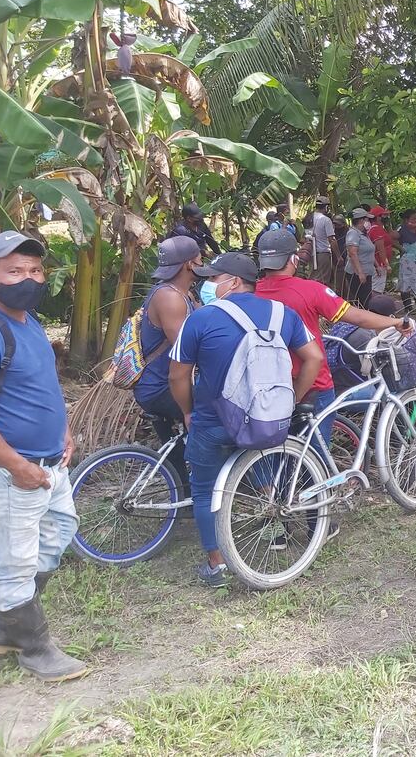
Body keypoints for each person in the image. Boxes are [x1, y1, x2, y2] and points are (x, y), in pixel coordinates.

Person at [169, 252, 323, 588]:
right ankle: (274, 526)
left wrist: (187, 410)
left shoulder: (202, 317)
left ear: (234, 282)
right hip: (266, 420)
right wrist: (291, 400)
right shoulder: (285, 314)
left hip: (213, 421)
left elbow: (177, 375)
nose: (208, 285)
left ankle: (217, 565)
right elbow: (313, 358)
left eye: (213, 279)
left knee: (205, 490)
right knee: (261, 462)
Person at [0, 231, 85, 682]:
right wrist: (16, 466)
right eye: (14, 271)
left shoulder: (27, 320)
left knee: (59, 532)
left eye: (35, 270)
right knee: (16, 559)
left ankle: (3, 628)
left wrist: (63, 430)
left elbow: (42, 384)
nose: (29, 278)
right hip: (10, 472)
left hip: (47, 465)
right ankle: (35, 646)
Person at [256, 230, 410, 450]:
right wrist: (394, 322)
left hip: (269, 386)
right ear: (293, 259)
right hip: (312, 385)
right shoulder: (310, 290)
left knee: (280, 451)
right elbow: (358, 317)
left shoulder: (251, 294)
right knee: (314, 455)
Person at [133, 236, 201, 491]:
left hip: (164, 383)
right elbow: (186, 349)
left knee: (177, 450)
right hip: (161, 386)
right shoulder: (170, 298)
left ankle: (184, 492)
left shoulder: (183, 293)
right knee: (219, 412)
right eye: (199, 258)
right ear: (189, 264)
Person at [343, 208, 378, 306]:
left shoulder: (363, 234)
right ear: (361, 220)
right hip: (357, 273)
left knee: (366, 298)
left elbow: (368, 251)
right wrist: (360, 273)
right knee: (362, 300)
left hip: (367, 271)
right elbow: (353, 253)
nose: (368, 222)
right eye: (367, 220)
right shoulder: (353, 233)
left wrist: (376, 266)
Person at [309, 197, 340, 286]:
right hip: (323, 253)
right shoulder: (325, 220)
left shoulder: (309, 218)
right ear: (326, 207)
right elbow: (332, 239)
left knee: (313, 278)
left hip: (311, 253)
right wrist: (338, 256)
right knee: (322, 280)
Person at [365, 206, 396, 291]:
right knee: (377, 289)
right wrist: (387, 265)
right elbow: (380, 249)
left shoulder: (378, 228)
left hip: (378, 263)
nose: (386, 217)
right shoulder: (376, 230)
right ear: (378, 217)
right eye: (384, 215)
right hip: (379, 264)